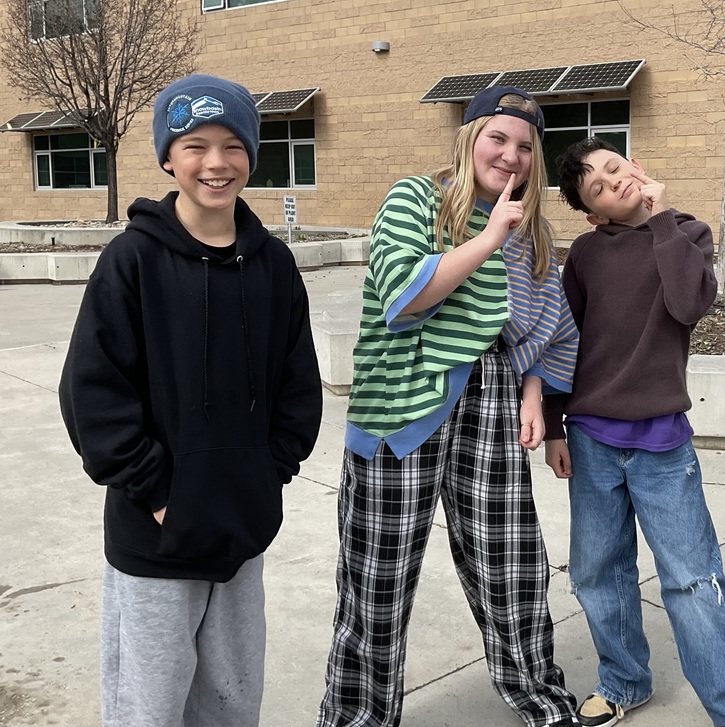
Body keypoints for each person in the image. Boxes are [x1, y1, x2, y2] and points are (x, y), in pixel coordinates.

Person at [58, 73, 324, 727]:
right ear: (168, 157)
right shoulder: (131, 261)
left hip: (242, 535)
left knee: (231, 704)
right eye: (196, 145)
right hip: (153, 542)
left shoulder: (274, 266)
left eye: (232, 145)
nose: (216, 163)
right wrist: (156, 491)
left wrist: (264, 475)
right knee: (147, 709)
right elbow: (92, 393)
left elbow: (298, 390)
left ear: (251, 155)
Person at [317, 85, 580, 727]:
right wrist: (489, 237)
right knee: (377, 580)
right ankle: (358, 716)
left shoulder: (534, 233)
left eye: (525, 146)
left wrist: (534, 392)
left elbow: (554, 328)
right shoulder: (416, 197)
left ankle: (542, 702)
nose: (511, 155)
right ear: (468, 139)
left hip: (492, 398)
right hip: (402, 401)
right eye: (498, 138)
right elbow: (402, 297)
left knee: (513, 566)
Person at [545, 137, 725, 727]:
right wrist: (556, 425)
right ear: (593, 215)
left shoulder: (686, 233)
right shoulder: (586, 254)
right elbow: (567, 339)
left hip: (662, 444)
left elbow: (689, 304)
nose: (613, 181)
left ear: (635, 167)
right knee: (598, 571)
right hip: (590, 438)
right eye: (597, 187)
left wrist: (661, 217)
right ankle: (624, 681)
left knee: (693, 580)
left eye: (615, 167)